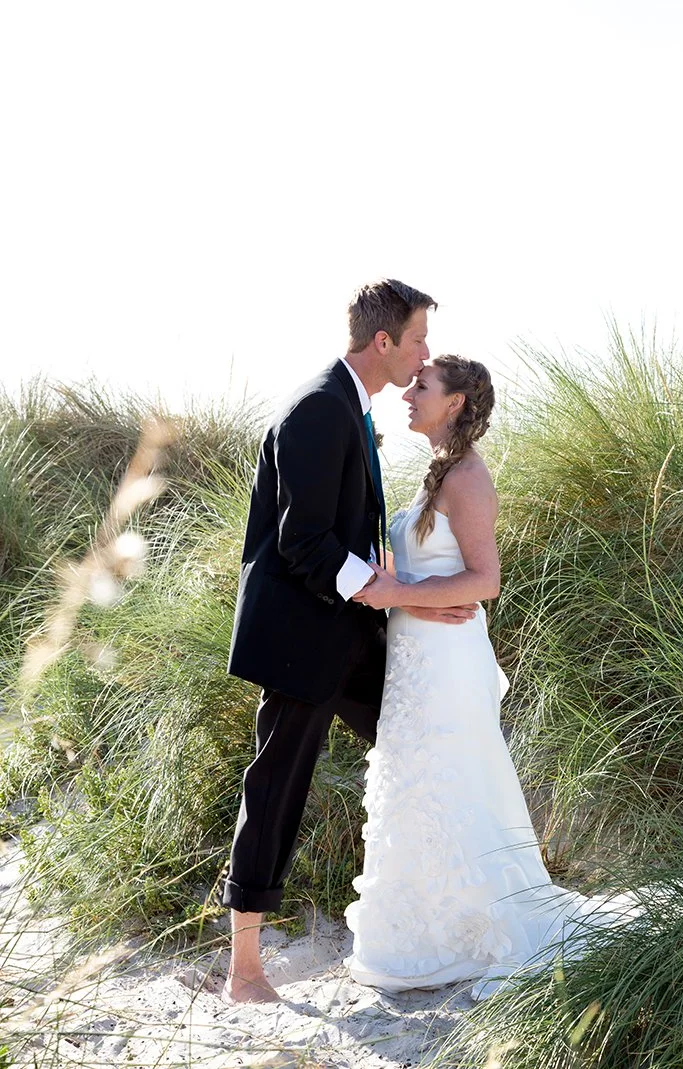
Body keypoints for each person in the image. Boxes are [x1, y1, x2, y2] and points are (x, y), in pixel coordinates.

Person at [345, 355, 638, 999]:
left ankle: (472, 930)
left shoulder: (469, 478)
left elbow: (485, 580)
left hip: (446, 661)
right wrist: (392, 586)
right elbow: (419, 574)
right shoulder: (436, 473)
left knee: (448, 780)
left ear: (453, 403)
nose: (408, 394)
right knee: (416, 784)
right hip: (416, 659)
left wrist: (397, 593)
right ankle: (422, 933)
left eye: (421, 387)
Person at [221, 282, 479, 1005]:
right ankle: (244, 970)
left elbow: (341, 539)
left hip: (346, 634)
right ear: (385, 342)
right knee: (276, 784)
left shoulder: (348, 409)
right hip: (303, 639)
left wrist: (404, 599)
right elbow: (301, 540)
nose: (426, 352)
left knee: (419, 742)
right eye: (420, 339)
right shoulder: (319, 408)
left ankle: (456, 905)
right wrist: (392, 593)